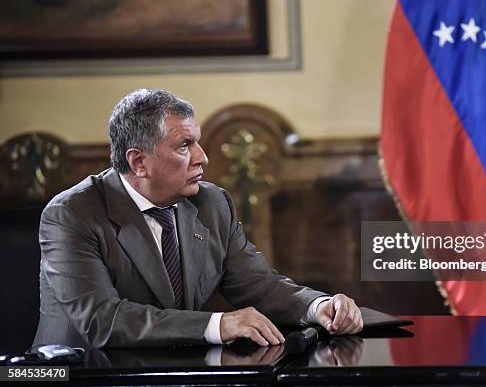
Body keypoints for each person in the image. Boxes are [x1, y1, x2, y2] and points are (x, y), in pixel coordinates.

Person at [33, 89, 363, 348]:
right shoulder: (71, 216)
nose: (202, 158)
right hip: (75, 374)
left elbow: (258, 284)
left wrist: (318, 306)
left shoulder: (211, 202)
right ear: (138, 163)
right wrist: (219, 325)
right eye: (184, 146)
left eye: (198, 142)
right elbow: (102, 321)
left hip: (172, 371)